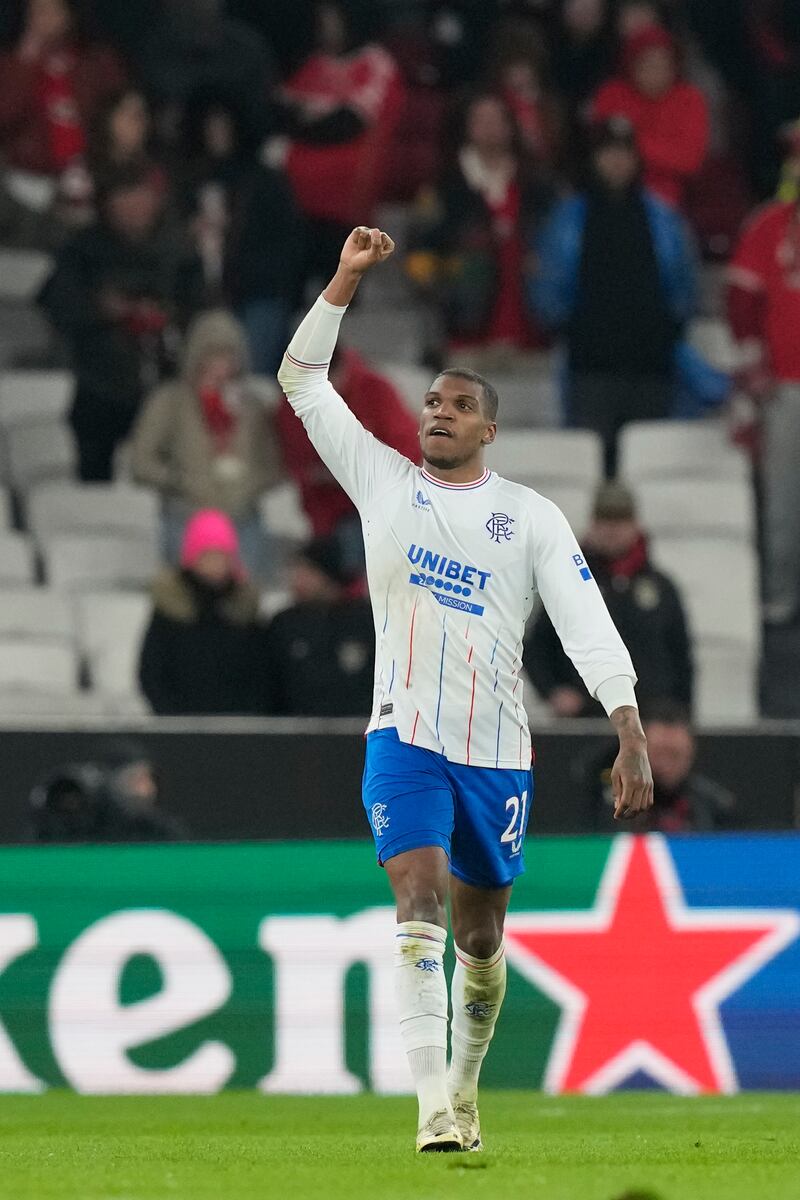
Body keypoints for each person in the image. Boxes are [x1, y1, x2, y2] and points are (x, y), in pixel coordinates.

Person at [278, 226, 653, 1153]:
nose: (435, 413)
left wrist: (629, 726)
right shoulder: (382, 483)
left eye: (456, 406)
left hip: (497, 753)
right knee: (418, 899)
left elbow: (583, 623)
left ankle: (467, 1087)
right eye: (430, 403)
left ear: (489, 427)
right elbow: (299, 381)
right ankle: (431, 1108)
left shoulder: (529, 517)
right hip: (403, 735)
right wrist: (344, 280)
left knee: (481, 942)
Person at [529, 116, 697, 475]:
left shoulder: (663, 217)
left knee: (651, 470)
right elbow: (549, 287)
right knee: (590, 470)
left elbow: (682, 285)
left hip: (652, 368)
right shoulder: (568, 217)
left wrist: (669, 329)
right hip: (591, 367)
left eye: (624, 152)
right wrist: (568, 328)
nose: (616, 161)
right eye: (608, 152)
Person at [39, 162, 203, 481]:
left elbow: (203, 312)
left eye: (142, 196)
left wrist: (165, 317)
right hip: (98, 383)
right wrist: (105, 309)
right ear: (108, 201)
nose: (134, 206)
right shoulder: (83, 250)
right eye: (124, 196)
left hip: (167, 381)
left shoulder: (179, 252)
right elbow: (56, 304)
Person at [131, 310, 284, 578]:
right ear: (196, 356)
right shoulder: (170, 402)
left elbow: (274, 463)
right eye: (213, 354)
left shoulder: (252, 407)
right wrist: (180, 480)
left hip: (243, 519)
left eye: (229, 355)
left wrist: (250, 485)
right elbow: (141, 461)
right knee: (189, 601)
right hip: (186, 518)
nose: (222, 364)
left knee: (243, 603)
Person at [405, 91, 552, 369]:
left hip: (532, 331)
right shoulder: (444, 186)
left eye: (497, 120)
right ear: (467, 128)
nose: (490, 128)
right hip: (467, 328)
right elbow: (420, 249)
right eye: (481, 120)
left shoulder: (537, 184)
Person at [524, 482, 693, 717]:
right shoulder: (569, 582)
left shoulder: (662, 588)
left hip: (650, 722)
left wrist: (681, 716)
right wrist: (553, 691)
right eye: (604, 521)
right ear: (592, 525)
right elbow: (536, 647)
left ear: (635, 525)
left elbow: (681, 658)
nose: (612, 530)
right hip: (586, 721)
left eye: (620, 521)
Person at [275, 1, 405, 285]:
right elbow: (282, 113)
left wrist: (307, 124)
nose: (327, 28)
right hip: (298, 209)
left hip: (347, 207)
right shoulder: (314, 65)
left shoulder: (376, 63)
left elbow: (348, 123)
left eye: (332, 19)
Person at [180, 89, 303, 375]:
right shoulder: (191, 180)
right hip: (203, 294)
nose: (216, 134)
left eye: (223, 126)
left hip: (259, 294)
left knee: (251, 379)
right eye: (210, 126)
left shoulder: (265, 182)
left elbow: (287, 245)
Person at [274, 344, 420, 570]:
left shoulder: (375, 391)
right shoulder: (293, 407)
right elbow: (296, 462)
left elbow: (408, 450)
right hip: (326, 512)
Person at [727, 184, 800, 626]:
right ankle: (778, 596)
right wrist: (754, 363)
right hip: (785, 389)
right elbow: (740, 301)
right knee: (783, 499)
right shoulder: (769, 226)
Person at [0, 0, 125, 247]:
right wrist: (26, 61)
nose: (41, 19)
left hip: (87, 182)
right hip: (26, 185)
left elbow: (116, 113)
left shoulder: (96, 61)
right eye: (34, 12)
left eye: (50, 11)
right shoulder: (11, 63)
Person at [138, 509, 270, 716]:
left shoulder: (245, 609)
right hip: (180, 729)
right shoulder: (170, 607)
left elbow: (262, 674)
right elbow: (152, 672)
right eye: (208, 555)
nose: (216, 564)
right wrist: (172, 717)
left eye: (222, 555)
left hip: (237, 730)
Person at [591, 25, 709, 210]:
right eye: (648, 65)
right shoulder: (612, 95)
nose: (656, 73)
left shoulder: (689, 98)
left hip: (668, 201)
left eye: (664, 66)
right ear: (631, 66)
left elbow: (689, 160)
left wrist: (634, 142)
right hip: (609, 194)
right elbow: (603, 154)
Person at [264, 537, 374, 716]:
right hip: (293, 736)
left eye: (308, 571)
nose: (299, 579)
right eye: (296, 570)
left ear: (327, 575)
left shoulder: (363, 620)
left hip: (355, 733)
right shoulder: (283, 624)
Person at [587, 701, 736, 832]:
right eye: (659, 753)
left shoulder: (714, 806)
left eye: (675, 755)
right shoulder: (609, 802)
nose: (667, 765)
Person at [28, 740, 186, 842]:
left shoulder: (156, 828)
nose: (147, 790)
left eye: (148, 779)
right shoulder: (67, 824)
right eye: (135, 779)